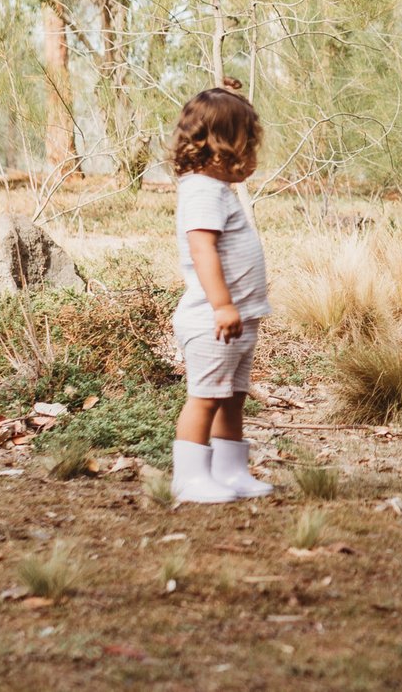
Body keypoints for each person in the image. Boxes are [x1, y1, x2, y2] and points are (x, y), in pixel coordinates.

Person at [168, 84, 273, 504]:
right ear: (220, 149)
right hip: (214, 320)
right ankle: (189, 478)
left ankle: (229, 471)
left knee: (232, 397)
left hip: (237, 319)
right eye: (247, 150)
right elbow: (202, 248)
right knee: (206, 397)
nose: (252, 160)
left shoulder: (216, 189)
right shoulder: (201, 191)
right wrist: (223, 304)